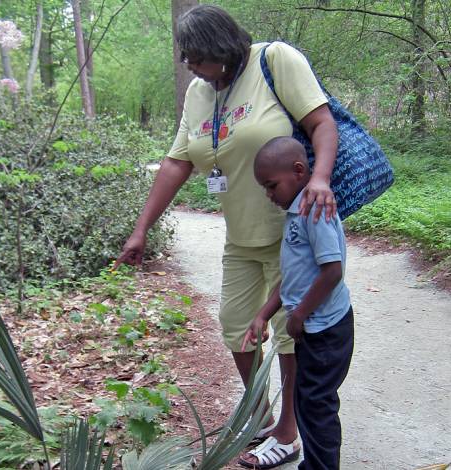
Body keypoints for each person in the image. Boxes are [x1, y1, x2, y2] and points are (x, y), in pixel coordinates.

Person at [113, 5, 341, 469]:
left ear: (221, 48)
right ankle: (261, 417)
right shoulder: (200, 93)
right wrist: (141, 229)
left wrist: (318, 178)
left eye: (197, 57)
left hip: (293, 231)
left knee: (289, 333)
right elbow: (178, 161)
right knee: (237, 326)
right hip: (240, 234)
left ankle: (288, 432)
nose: (191, 66)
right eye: (187, 58)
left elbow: (322, 124)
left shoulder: (274, 61)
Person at [243, 136, 353, 470]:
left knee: (316, 405)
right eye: (264, 187)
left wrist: (300, 314)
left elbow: (332, 271)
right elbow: (293, 277)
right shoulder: (296, 210)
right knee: (307, 400)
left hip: (325, 331)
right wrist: (264, 314)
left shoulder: (314, 209)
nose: (269, 194)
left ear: (298, 170)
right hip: (312, 328)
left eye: (272, 185)